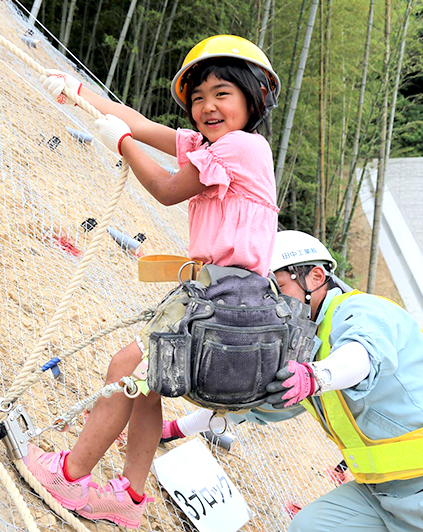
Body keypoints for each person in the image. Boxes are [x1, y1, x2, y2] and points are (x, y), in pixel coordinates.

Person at [23, 35, 282, 529]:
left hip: (227, 297)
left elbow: (165, 189)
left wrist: (118, 143)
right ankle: (129, 496)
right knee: (146, 384)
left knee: (127, 366)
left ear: (255, 98)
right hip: (215, 291)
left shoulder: (243, 148)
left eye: (222, 93)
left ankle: (71, 476)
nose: (207, 105)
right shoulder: (214, 145)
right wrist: (77, 91)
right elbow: (141, 123)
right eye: (198, 96)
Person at [247, 230, 423, 531]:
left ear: (316, 277)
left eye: (278, 288)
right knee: (311, 526)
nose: (273, 302)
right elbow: (268, 403)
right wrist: (182, 426)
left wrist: (315, 376)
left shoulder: (362, 310)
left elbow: (363, 354)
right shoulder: (308, 339)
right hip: (384, 493)